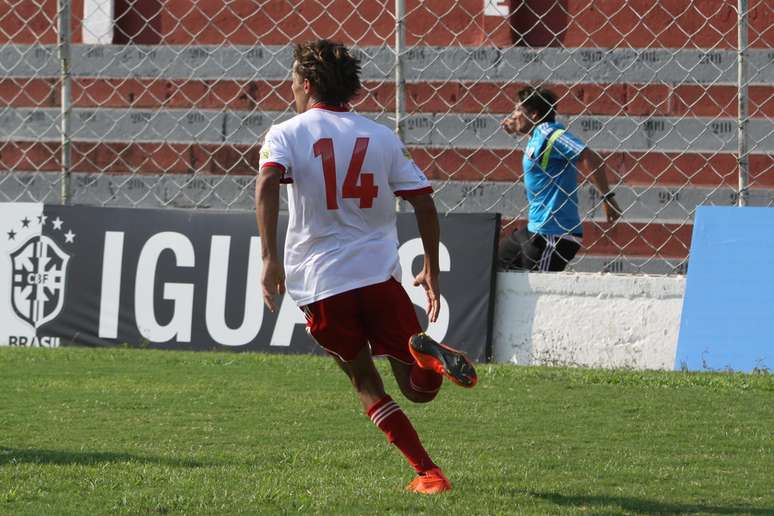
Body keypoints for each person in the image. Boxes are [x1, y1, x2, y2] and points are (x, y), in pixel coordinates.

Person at [254, 39, 477, 495]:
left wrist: (269, 258)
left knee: (364, 381)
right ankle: (428, 361)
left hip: (322, 282)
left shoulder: (286, 132)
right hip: (378, 277)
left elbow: (267, 183)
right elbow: (423, 200)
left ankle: (429, 473)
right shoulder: (381, 135)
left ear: (308, 84)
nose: (291, 88)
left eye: (294, 81)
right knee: (414, 388)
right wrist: (431, 265)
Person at [498, 86, 622, 272]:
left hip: (555, 235)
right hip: (536, 229)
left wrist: (607, 197)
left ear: (534, 114)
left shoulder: (551, 135)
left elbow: (591, 158)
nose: (513, 114)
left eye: (518, 110)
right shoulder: (536, 136)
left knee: (539, 292)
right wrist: (517, 128)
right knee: (497, 260)